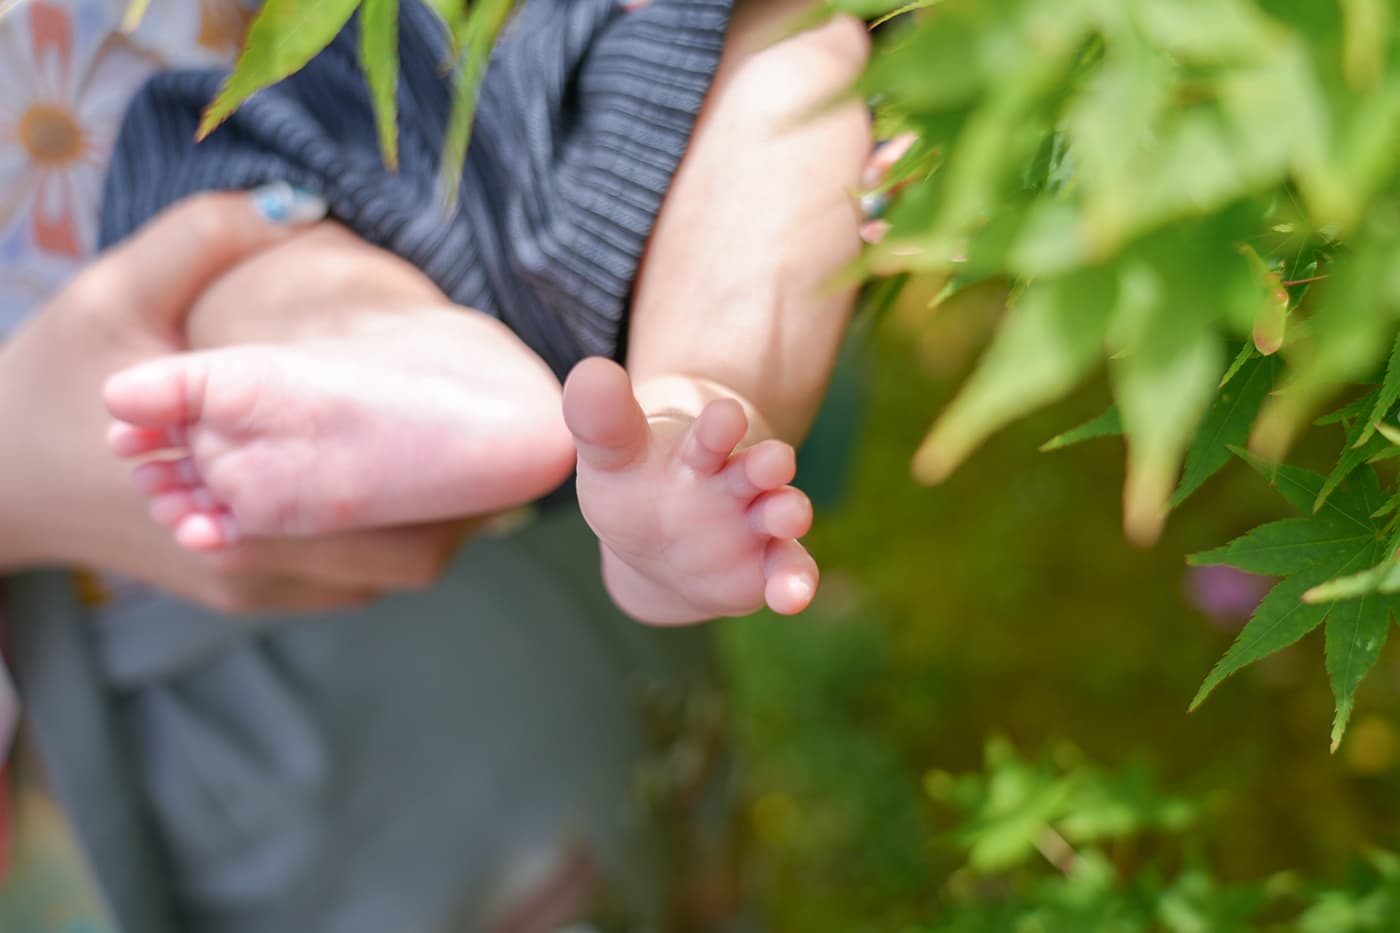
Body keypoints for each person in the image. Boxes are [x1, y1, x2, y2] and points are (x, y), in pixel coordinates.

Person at [1, 0, 871, 929]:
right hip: (379, 147)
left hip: (330, 146)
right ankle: (658, 402)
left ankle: (595, 403)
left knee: (246, 243)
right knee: (791, 53)